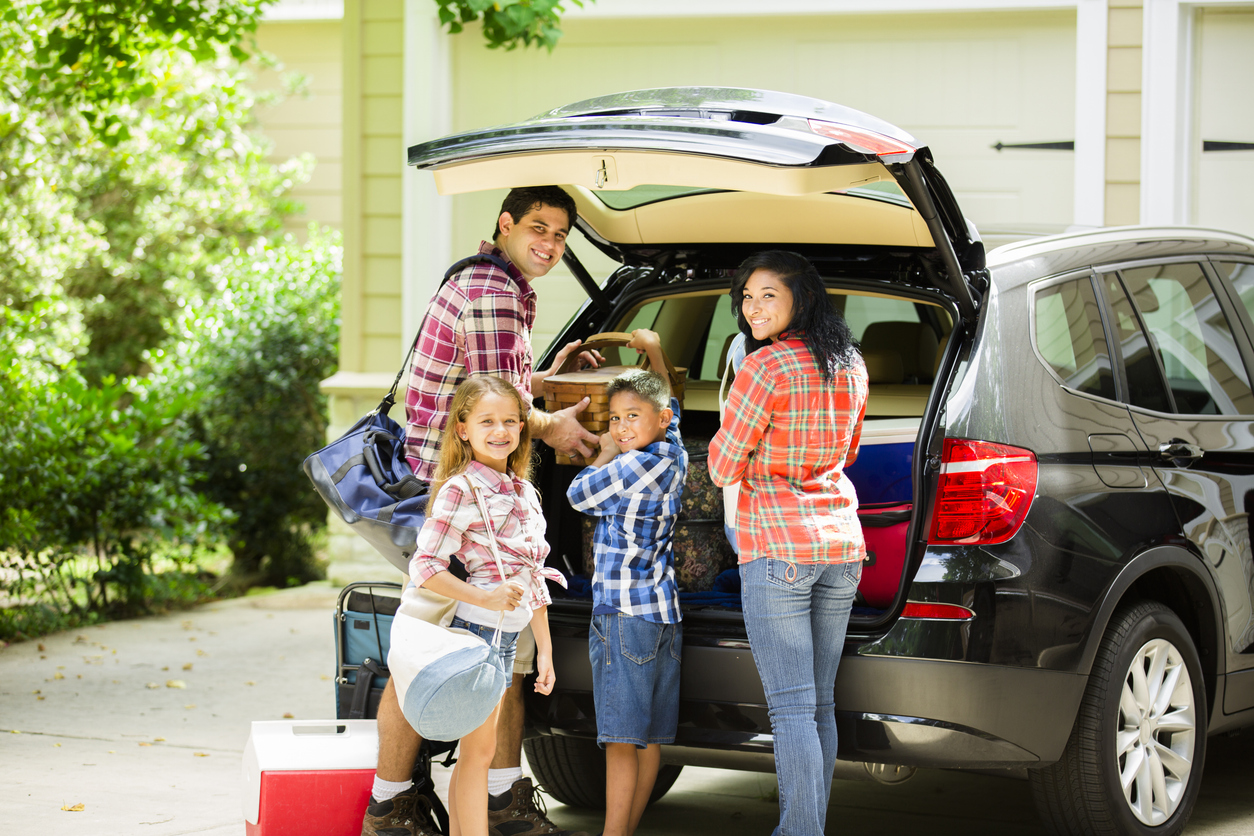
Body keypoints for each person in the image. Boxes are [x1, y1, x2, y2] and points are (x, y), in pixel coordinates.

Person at [363, 186, 599, 836]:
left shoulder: (495, 284)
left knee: (487, 655)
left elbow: (501, 389)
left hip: (474, 495)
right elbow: (501, 407)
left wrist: (545, 380)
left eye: (560, 235)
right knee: (439, 654)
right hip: (459, 502)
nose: (550, 244)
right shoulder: (494, 292)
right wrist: (553, 425)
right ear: (505, 224)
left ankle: (479, 801)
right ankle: (402, 809)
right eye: (538, 228)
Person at [708, 251, 868, 836]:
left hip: (777, 549)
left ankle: (800, 831)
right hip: (840, 547)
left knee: (793, 708)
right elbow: (850, 452)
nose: (753, 308)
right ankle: (808, 827)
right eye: (747, 297)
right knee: (819, 703)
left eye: (768, 295)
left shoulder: (764, 367)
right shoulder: (851, 363)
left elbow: (722, 466)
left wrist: (754, 454)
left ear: (803, 297)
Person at [401, 376, 564, 836]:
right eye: (487, 421)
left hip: (508, 637)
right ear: (463, 428)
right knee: (477, 754)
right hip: (479, 635)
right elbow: (425, 566)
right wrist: (485, 596)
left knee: (480, 753)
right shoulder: (462, 489)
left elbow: (533, 577)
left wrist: (546, 650)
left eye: (510, 421)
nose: (500, 431)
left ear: (522, 428)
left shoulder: (523, 491)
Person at [565, 331, 688, 836]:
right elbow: (671, 405)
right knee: (649, 739)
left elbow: (577, 494)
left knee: (620, 740)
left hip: (623, 616)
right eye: (614, 419)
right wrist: (656, 350)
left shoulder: (629, 465)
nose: (620, 427)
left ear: (657, 419)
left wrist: (603, 453)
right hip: (663, 614)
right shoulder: (673, 452)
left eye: (631, 417)